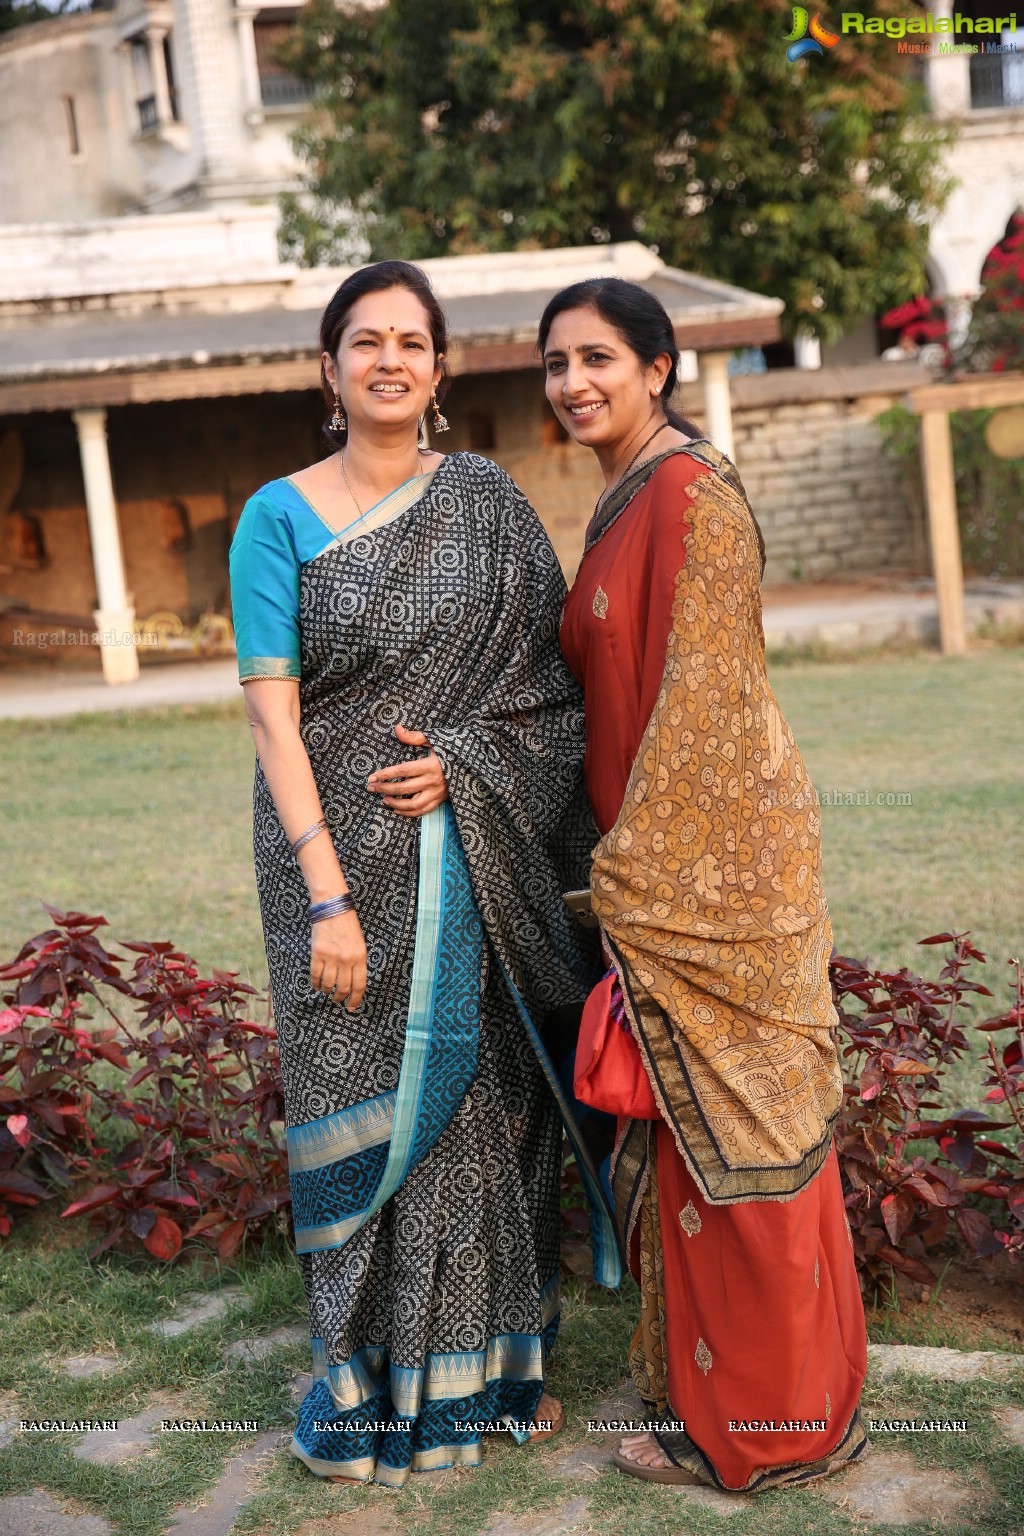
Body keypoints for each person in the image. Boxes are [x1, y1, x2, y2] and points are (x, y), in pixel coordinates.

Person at [228, 260, 616, 1488]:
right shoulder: (273, 516)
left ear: (440, 370)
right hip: (329, 865)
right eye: (364, 340)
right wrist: (327, 891)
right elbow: (273, 721)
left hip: (471, 856)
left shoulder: (489, 503)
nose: (389, 359)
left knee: (477, 1107)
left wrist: (463, 762)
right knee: (363, 1097)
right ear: (328, 366)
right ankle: (360, 1374)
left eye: (412, 341)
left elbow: (549, 698)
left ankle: (493, 1373)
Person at [539, 277, 868, 1492]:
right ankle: (709, 1402)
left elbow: (709, 710)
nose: (575, 383)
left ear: (659, 368)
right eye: (557, 364)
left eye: (599, 360)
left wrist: (641, 872)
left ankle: (768, 1427)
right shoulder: (623, 499)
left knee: (746, 1144)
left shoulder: (693, 496)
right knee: (691, 1155)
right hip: (657, 871)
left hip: (711, 881)